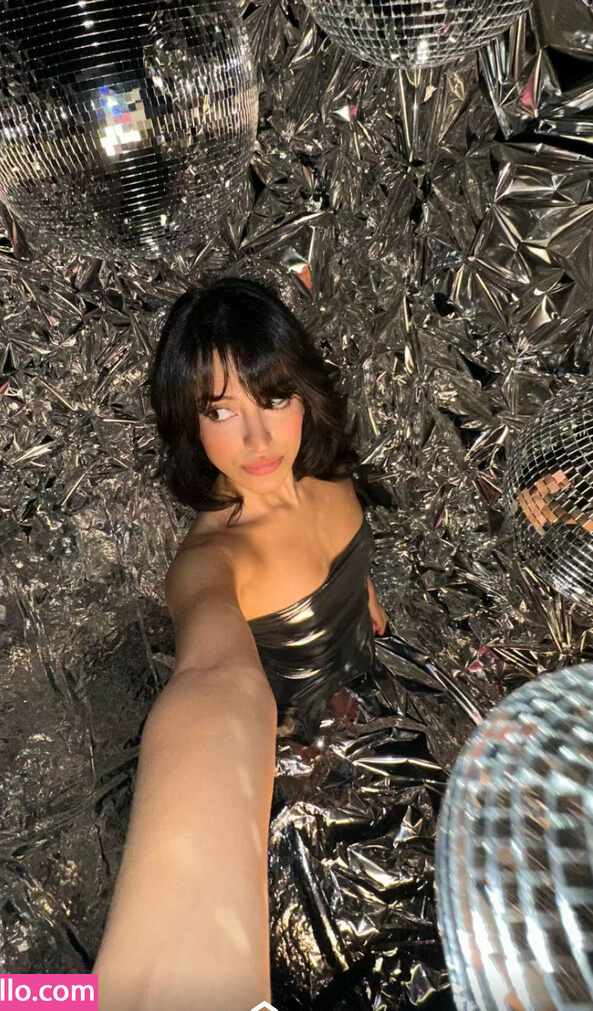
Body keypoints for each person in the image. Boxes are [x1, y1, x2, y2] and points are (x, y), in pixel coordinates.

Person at [93, 276, 387, 1011]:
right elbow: (214, 680)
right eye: (221, 411)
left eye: (274, 400)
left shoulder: (328, 473)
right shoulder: (213, 561)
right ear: (188, 424)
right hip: (297, 787)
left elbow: (356, 578)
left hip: (375, 710)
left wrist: (369, 608)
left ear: (304, 396)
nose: (257, 441)